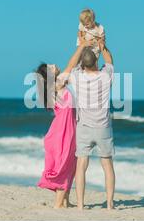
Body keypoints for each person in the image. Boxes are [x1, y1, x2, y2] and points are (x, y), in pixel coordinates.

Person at [36, 41, 92, 209]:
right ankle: (58, 204)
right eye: (50, 66)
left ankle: (65, 201)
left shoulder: (56, 87)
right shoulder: (57, 84)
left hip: (62, 132)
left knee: (69, 166)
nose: (54, 65)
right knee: (65, 168)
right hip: (62, 134)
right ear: (50, 76)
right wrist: (81, 47)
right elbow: (71, 64)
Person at [62, 39, 116, 210]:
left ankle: (80, 204)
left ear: (82, 65)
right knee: (107, 165)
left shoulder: (77, 77)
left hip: (84, 127)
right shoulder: (106, 76)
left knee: (81, 165)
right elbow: (109, 60)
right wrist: (102, 45)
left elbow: (70, 67)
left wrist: (81, 46)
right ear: (96, 62)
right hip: (103, 127)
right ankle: (109, 203)